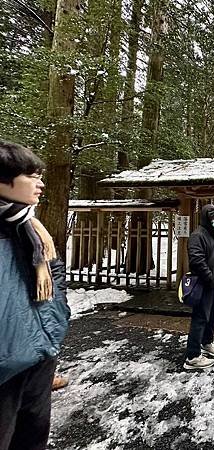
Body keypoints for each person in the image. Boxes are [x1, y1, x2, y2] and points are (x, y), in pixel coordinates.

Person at [0, 139, 70, 450]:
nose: (40, 184)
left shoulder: (33, 229)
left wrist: (56, 327)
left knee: (32, 439)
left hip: (40, 357)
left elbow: (55, 281)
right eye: (31, 176)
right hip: (6, 366)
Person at [184, 204, 214, 370]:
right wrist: (210, 279)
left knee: (213, 315)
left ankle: (207, 341)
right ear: (206, 219)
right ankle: (193, 356)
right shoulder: (198, 236)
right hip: (204, 284)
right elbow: (197, 261)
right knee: (201, 317)